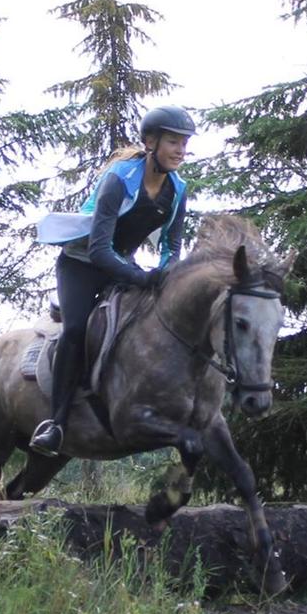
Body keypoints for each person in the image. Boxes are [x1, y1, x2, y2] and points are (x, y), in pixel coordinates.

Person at [29, 104, 195, 457]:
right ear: (151, 142)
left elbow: (171, 246)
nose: (181, 150)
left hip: (121, 266)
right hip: (82, 264)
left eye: (184, 143)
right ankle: (56, 424)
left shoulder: (178, 191)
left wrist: (165, 275)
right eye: (173, 142)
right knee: (76, 330)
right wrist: (141, 276)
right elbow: (100, 249)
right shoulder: (119, 179)